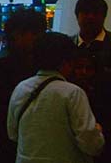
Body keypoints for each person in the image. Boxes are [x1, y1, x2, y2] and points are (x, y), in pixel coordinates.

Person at [7, 32, 104, 163]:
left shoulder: (21, 88)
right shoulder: (73, 93)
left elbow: (13, 134)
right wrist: (97, 131)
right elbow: (91, 144)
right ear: (65, 62)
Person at [0, 8, 47, 163]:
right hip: (9, 142)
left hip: (9, 141)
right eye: (34, 34)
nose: (38, 39)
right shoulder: (5, 64)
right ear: (17, 34)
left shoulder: (5, 60)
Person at [73, 0, 111, 161]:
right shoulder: (67, 47)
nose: (90, 17)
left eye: (95, 13)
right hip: (75, 125)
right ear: (77, 16)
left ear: (104, 16)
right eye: (85, 12)